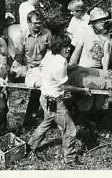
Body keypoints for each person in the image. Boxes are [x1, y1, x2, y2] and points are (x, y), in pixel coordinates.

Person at [26, 33, 91, 165]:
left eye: (69, 46)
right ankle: (70, 158)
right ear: (58, 46)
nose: (68, 49)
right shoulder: (61, 62)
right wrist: (83, 90)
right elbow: (65, 86)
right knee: (70, 129)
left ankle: (29, 146)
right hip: (55, 101)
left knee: (47, 122)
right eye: (65, 46)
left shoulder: (49, 55)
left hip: (44, 97)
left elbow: (42, 67)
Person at [68, 7, 112, 113]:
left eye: (104, 20)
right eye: (100, 20)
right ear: (93, 22)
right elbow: (77, 50)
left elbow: (106, 55)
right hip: (85, 68)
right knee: (87, 100)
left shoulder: (106, 35)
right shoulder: (85, 31)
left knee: (99, 101)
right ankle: (80, 117)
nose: (103, 22)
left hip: (98, 69)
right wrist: (70, 66)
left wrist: (105, 70)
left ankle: (94, 118)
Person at [15, 10, 52, 125]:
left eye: (40, 23)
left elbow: (51, 51)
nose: (38, 26)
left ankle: (47, 117)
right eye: (36, 23)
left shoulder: (47, 33)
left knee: (49, 91)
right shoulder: (22, 36)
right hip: (29, 68)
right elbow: (19, 56)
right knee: (36, 91)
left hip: (44, 66)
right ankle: (30, 118)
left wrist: (46, 64)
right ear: (29, 23)